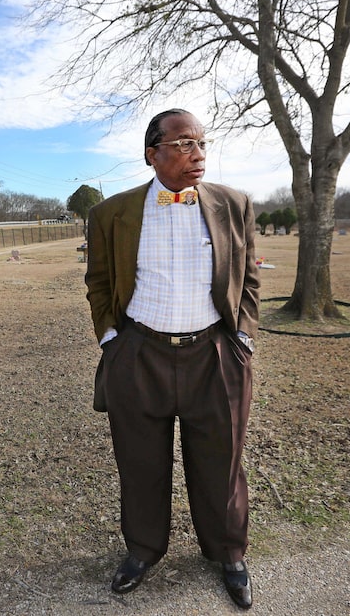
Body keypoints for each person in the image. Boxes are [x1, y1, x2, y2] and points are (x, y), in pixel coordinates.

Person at [84, 108, 260, 609]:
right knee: (141, 465)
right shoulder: (111, 214)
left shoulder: (234, 204)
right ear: (152, 153)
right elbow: (98, 283)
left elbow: (248, 278)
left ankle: (228, 553)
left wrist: (242, 338)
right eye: (183, 143)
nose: (197, 154)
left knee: (221, 463)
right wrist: (111, 340)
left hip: (215, 355)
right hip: (139, 355)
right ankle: (142, 550)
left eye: (201, 142)